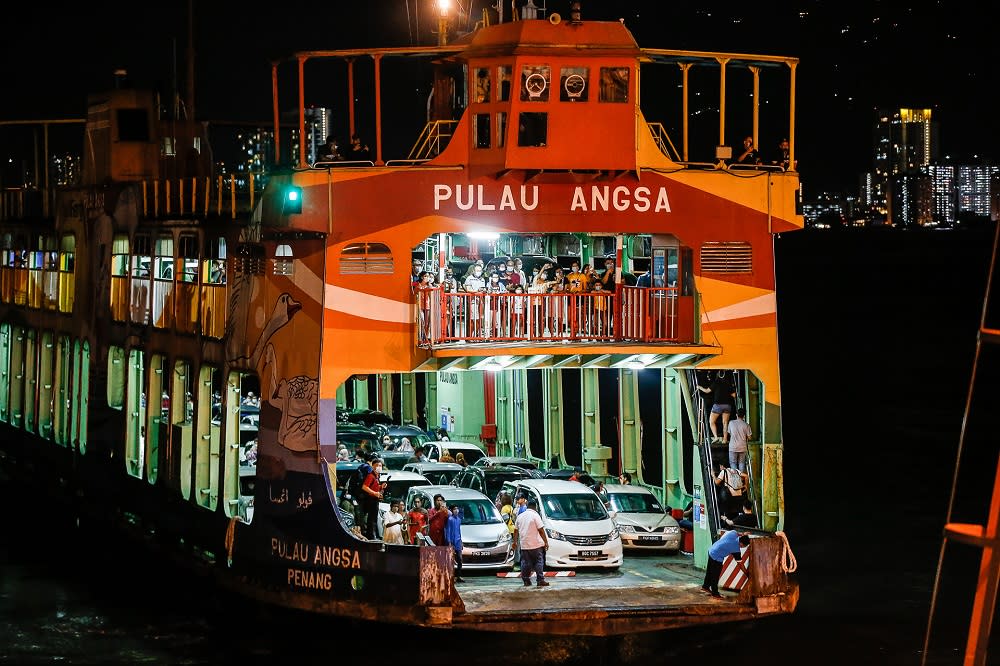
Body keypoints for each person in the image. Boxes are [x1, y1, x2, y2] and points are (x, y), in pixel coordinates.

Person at [702, 530, 751, 598]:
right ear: (741, 544)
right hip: (717, 557)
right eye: (743, 546)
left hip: (712, 550)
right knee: (715, 576)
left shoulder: (733, 534)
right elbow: (741, 565)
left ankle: (705, 587)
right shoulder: (736, 549)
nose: (742, 547)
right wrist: (747, 573)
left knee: (710, 571)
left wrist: (743, 533)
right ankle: (715, 593)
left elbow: (736, 533)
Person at [513, 498, 550, 587]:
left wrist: (514, 542)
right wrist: (546, 542)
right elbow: (541, 530)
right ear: (535, 507)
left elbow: (515, 530)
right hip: (536, 545)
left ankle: (526, 580)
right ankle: (540, 580)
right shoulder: (535, 515)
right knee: (538, 561)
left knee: (525, 562)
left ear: (527, 506)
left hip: (524, 545)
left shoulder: (520, 516)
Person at [697, 370, 736, 444]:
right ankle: (724, 440)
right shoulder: (728, 384)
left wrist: (699, 387)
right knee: (725, 423)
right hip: (727, 405)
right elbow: (734, 395)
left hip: (717, 405)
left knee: (711, 422)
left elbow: (707, 391)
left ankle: (715, 437)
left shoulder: (716, 383)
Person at [360, 458, 386, 539]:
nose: (379, 467)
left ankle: (372, 534)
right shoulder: (370, 476)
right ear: (373, 466)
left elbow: (374, 486)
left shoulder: (377, 476)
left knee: (374, 518)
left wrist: (381, 486)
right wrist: (375, 493)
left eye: (380, 465)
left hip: (375, 499)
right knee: (372, 519)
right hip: (371, 500)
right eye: (377, 465)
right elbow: (364, 487)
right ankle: (371, 535)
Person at [726, 408, 752, 472]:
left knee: (733, 463)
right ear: (744, 416)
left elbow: (729, 433)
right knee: (741, 463)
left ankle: (735, 480)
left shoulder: (731, 423)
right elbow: (750, 438)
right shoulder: (746, 425)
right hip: (742, 447)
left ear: (736, 415)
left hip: (733, 447)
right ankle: (741, 479)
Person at [445, 504, 465, 582]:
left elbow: (459, 531)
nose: (456, 510)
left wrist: (461, 541)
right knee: (451, 560)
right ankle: (451, 576)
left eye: (457, 509)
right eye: (454, 509)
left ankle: (459, 576)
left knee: (460, 559)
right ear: (452, 511)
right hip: (452, 542)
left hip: (458, 542)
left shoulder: (459, 519)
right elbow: (448, 531)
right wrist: (449, 542)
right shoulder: (450, 519)